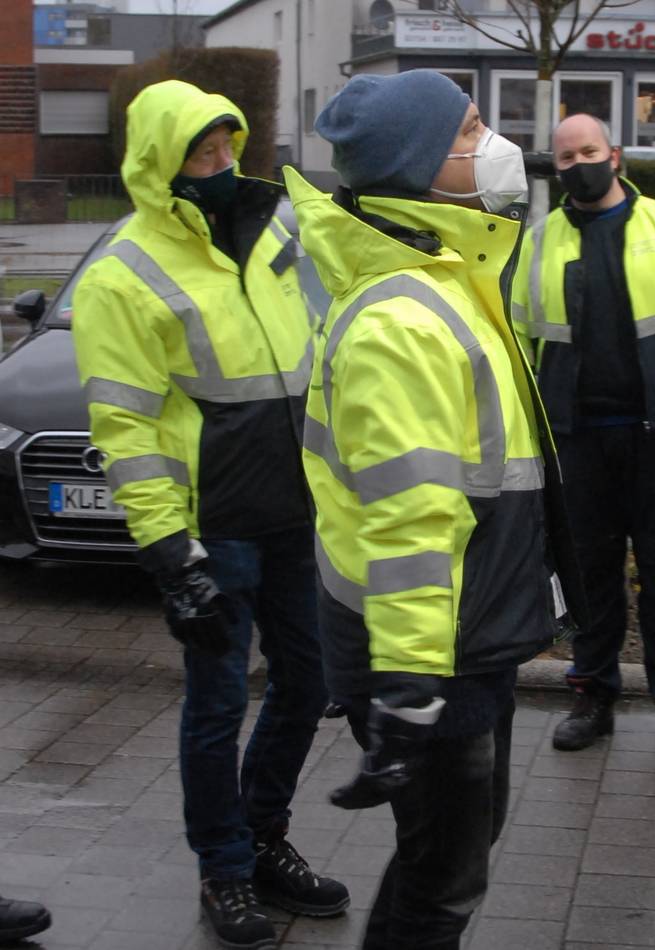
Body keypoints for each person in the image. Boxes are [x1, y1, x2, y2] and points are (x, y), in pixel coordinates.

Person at [283, 69, 584, 950]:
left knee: (450, 858)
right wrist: (410, 687)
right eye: (471, 129)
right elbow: (410, 519)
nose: (495, 144)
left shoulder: (445, 281)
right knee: (443, 877)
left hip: (462, 631)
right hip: (433, 648)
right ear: (420, 169)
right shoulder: (403, 318)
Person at [71, 80, 349, 950]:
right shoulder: (124, 272)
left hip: (295, 514)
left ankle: (264, 835)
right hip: (215, 530)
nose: (225, 162)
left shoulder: (275, 226)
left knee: (309, 684)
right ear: (162, 162)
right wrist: (170, 555)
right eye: (203, 151)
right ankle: (223, 870)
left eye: (230, 144)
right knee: (217, 704)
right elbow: (125, 425)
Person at [512, 113, 655, 761]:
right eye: (565, 155)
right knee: (591, 578)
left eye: (589, 150)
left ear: (615, 155)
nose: (578, 162)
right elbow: (523, 346)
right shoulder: (541, 240)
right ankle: (592, 696)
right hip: (577, 440)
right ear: (554, 167)